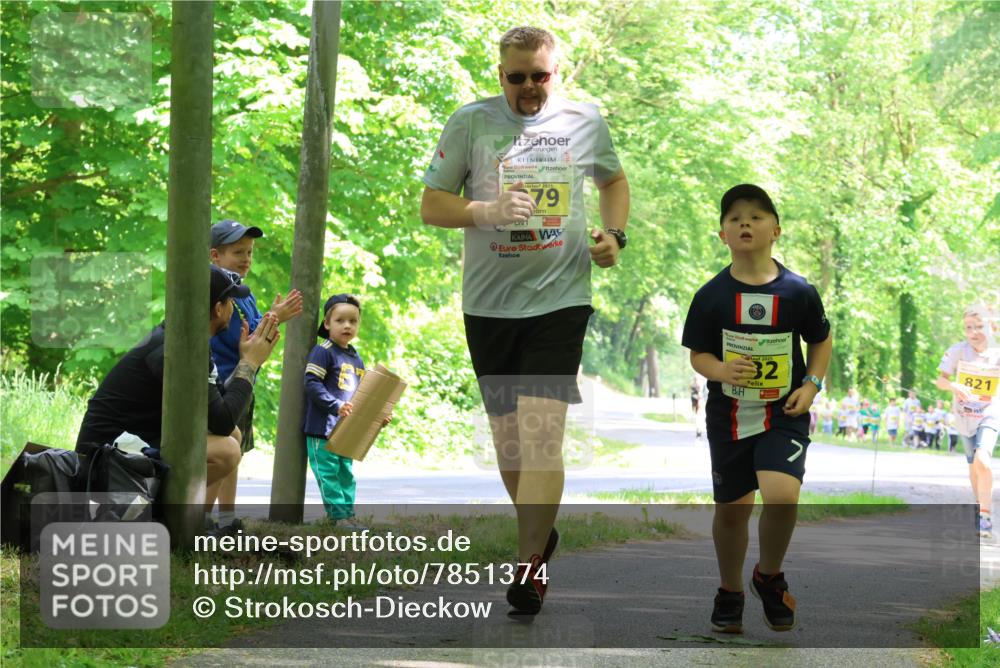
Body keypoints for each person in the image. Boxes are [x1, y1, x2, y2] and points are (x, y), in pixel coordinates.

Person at [420, 26, 629, 616]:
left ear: (555, 72)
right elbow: (432, 204)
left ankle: (528, 567)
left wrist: (615, 236)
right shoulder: (471, 122)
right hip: (489, 306)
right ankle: (540, 531)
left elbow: (613, 181)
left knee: (541, 437)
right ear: (501, 75)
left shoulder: (584, 121)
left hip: (560, 301)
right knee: (510, 449)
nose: (530, 87)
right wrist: (486, 210)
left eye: (541, 75)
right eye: (518, 77)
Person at [682, 184, 832, 634]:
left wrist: (812, 384)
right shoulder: (710, 296)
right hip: (728, 417)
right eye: (734, 218)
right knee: (732, 510)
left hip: (784, 413)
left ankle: (769, 575)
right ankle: (730, 591)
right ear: (723, 235)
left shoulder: (798, 291)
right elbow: (698, 356)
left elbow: (821, 340)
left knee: (782, 495)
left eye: (756, 216)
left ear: (776, 231)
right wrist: (722, 370)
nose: (745, 222)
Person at [77, 266, 281, 522]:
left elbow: (219, 410)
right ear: (218, 309)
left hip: (131, 445)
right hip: (105, 461)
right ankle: (162, 518)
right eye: (231, 302)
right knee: (227, 451)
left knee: (233, 436)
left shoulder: (185, 340)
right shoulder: (179, 350)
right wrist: (249, 364)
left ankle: (185, 519)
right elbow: (222, 419)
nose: (234, 309)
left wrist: (244, 361)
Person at [208, 219, 303, 534]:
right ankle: (201, 519)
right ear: (215, 256)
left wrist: (271, 318)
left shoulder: (242, 291)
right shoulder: (218, 292)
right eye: (238, 252)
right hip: (223, 384)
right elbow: (241, 336)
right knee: (225, 450)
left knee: (234, 453)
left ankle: (226, 517)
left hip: (243, 381)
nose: (247, 258)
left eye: (249, 252)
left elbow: (252, 330)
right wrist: (275, 317)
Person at [303, 294, 391, 528]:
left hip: (345, 430)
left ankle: (347, 515)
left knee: (346, 474)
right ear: (327, 323)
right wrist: (335, 405)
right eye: (340, 320)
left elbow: (360, 397)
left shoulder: (356, 358)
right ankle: (338, 516)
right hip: (322, 428)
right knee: (329, 474)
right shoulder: (323, 351)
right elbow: (312, 383)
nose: (347, 325)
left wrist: (376, 417)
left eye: (353, 321)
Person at [935, 303, 999, 539]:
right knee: (974, 467)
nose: (974, 332)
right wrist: (954, 386)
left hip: (990, 413)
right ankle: (980, 508)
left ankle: (986, 516)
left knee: (983, 460)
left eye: (979, 326)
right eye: (969, 327)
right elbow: (941, 380)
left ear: (992, 327)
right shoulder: (957, 351)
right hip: (964, 417)